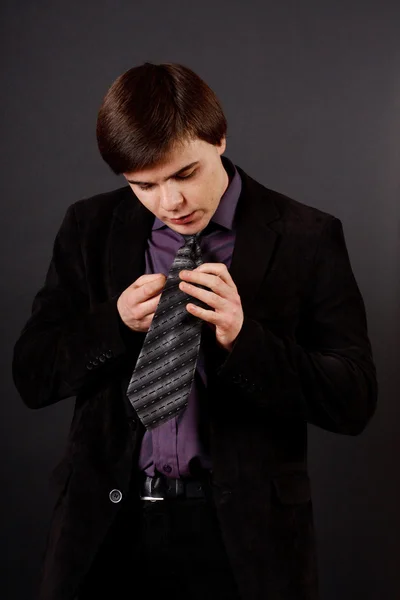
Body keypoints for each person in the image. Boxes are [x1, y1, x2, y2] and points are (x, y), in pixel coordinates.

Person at [12, 62, 378, 600]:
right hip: (105, 528)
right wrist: (114, 326)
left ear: (219, 138)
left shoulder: (308, 236)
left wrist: (244, 338)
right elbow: (32, 375)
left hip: (245, 541)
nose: (170, 202)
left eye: (184, 173)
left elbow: (354, 400)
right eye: (144, 185)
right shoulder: (88, 227)